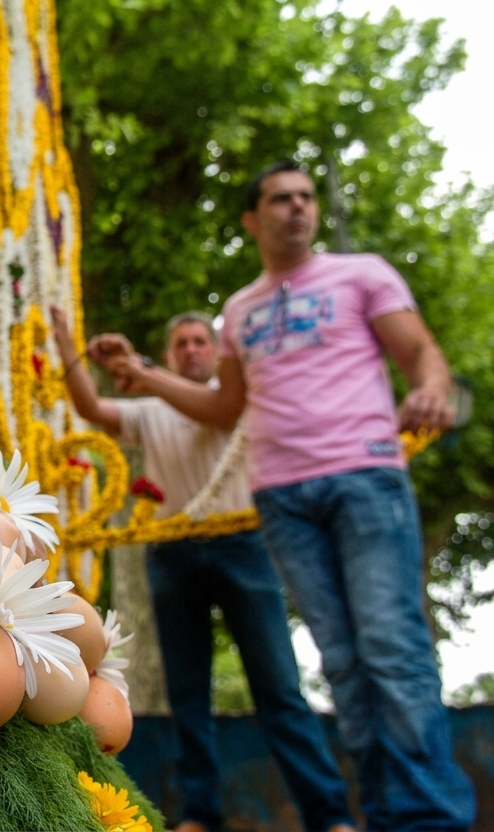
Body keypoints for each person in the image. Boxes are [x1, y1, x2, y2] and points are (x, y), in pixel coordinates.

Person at [96, 160, 476, 831]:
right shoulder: (238, 311)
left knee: (390, 646)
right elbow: (222, 407)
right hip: (283, 501)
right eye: (280, 199)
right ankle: (386, 815)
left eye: (305, 196)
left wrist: (433, 389)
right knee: (342, 663)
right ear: (252, 219)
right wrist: (143, 377)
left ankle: (428, 817)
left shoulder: (361, 273)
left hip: (364, 478)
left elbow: (420, 351)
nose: (297, 207)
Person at [51, 306, 355, 832]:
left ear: (215, 352)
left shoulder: (238, 399)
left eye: (199, 341)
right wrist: (65, 345)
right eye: (183, 343)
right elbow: (91, 407)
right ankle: (200, 816)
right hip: (171, 551)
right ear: (171, 354)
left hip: (244, 545)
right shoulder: (149, 408)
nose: (192, 349)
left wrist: (137, 367)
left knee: (279, 688)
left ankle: (328, 816)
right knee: (187, 693)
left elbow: (218, 412)